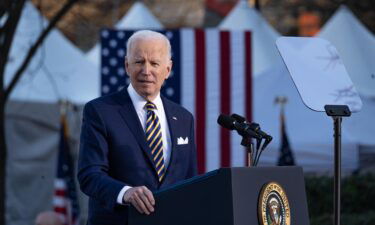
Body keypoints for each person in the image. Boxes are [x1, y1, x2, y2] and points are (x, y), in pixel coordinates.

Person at [78, 30, 197, 225]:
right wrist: (125, 193)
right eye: (139, 62)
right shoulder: (100, 111)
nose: (146, 71)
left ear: (168, 69)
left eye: (154, 63)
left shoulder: (184, 118)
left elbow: (191, 181)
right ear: (127, 65)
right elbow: (89, 175)